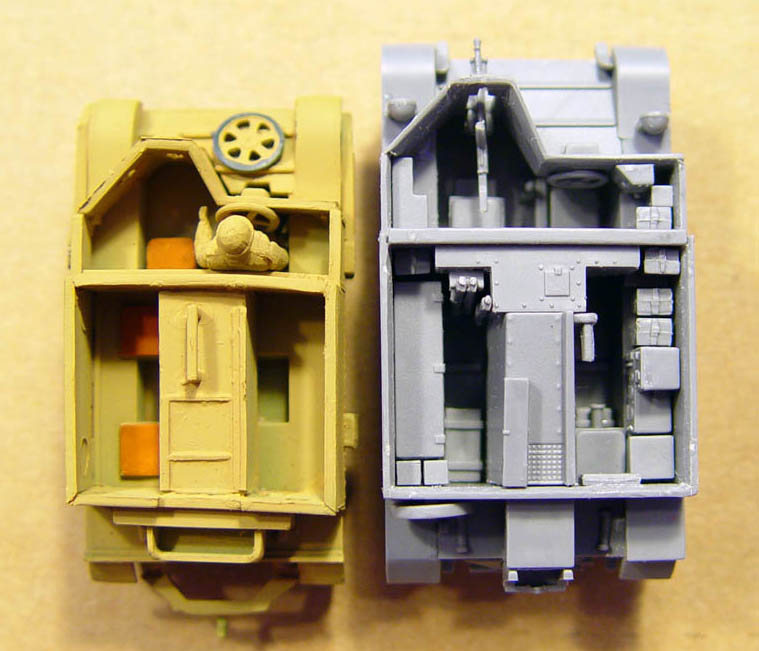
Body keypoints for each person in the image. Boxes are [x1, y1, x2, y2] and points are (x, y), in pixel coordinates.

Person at [194, 206, 288, 271]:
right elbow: (283, 259)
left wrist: (203, 222)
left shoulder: (210, 257)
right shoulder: (265, 254)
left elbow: (200, 249)